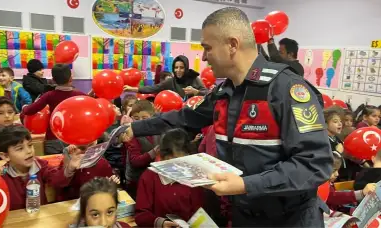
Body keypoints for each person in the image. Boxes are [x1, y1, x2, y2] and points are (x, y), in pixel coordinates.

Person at [119, 7, 332, 227]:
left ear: (232, 45)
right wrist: (135, 128)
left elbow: (314, 165)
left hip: (289, 220)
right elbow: (185, 117)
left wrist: (244, 185)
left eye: (207, 48)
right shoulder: (225, 92)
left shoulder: (285, 89)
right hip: (244, 215)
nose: (203, 57)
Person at [0, 125, 83, 210]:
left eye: (30, 145)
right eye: (20, 149)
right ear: (5, 156)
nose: (29, 151)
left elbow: (57, 181)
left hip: (39, 217)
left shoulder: (39, 165)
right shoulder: (2, 174)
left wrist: (70, 167)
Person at [135, 128, 203, 227]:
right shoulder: (149, 177)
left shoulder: (194, 177)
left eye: (183, 161)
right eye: (173, 160)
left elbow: (198, 212)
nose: (179, 167)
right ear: (162, 156)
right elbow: (141, 215)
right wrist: (161, 223)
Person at [21, 64, 87, 155]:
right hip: (74, 140)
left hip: (53, 139)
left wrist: (24, 107)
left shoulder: (49, 95)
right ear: (71, 78)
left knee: (53, 166)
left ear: (53, 80)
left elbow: (30, 110)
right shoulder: (80, 95)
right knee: (72, 166)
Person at [123, 55, 208, 100]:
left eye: (181, 68)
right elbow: (154, 88)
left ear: (186, 68)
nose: (178, 70)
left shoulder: (194, 78)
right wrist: (133, 89)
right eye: (176, 67)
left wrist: (195, 91)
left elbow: (207, 93)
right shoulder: (171, 81)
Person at [124, 100, 160, 198]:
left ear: (151, 117)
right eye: (136, 118)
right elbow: (135, 161)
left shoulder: (157, 130)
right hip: (136, 180)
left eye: (144, 118)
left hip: (154, 178)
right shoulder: (131, 135)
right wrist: (154, 152)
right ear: (131, 118)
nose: (141, 121)